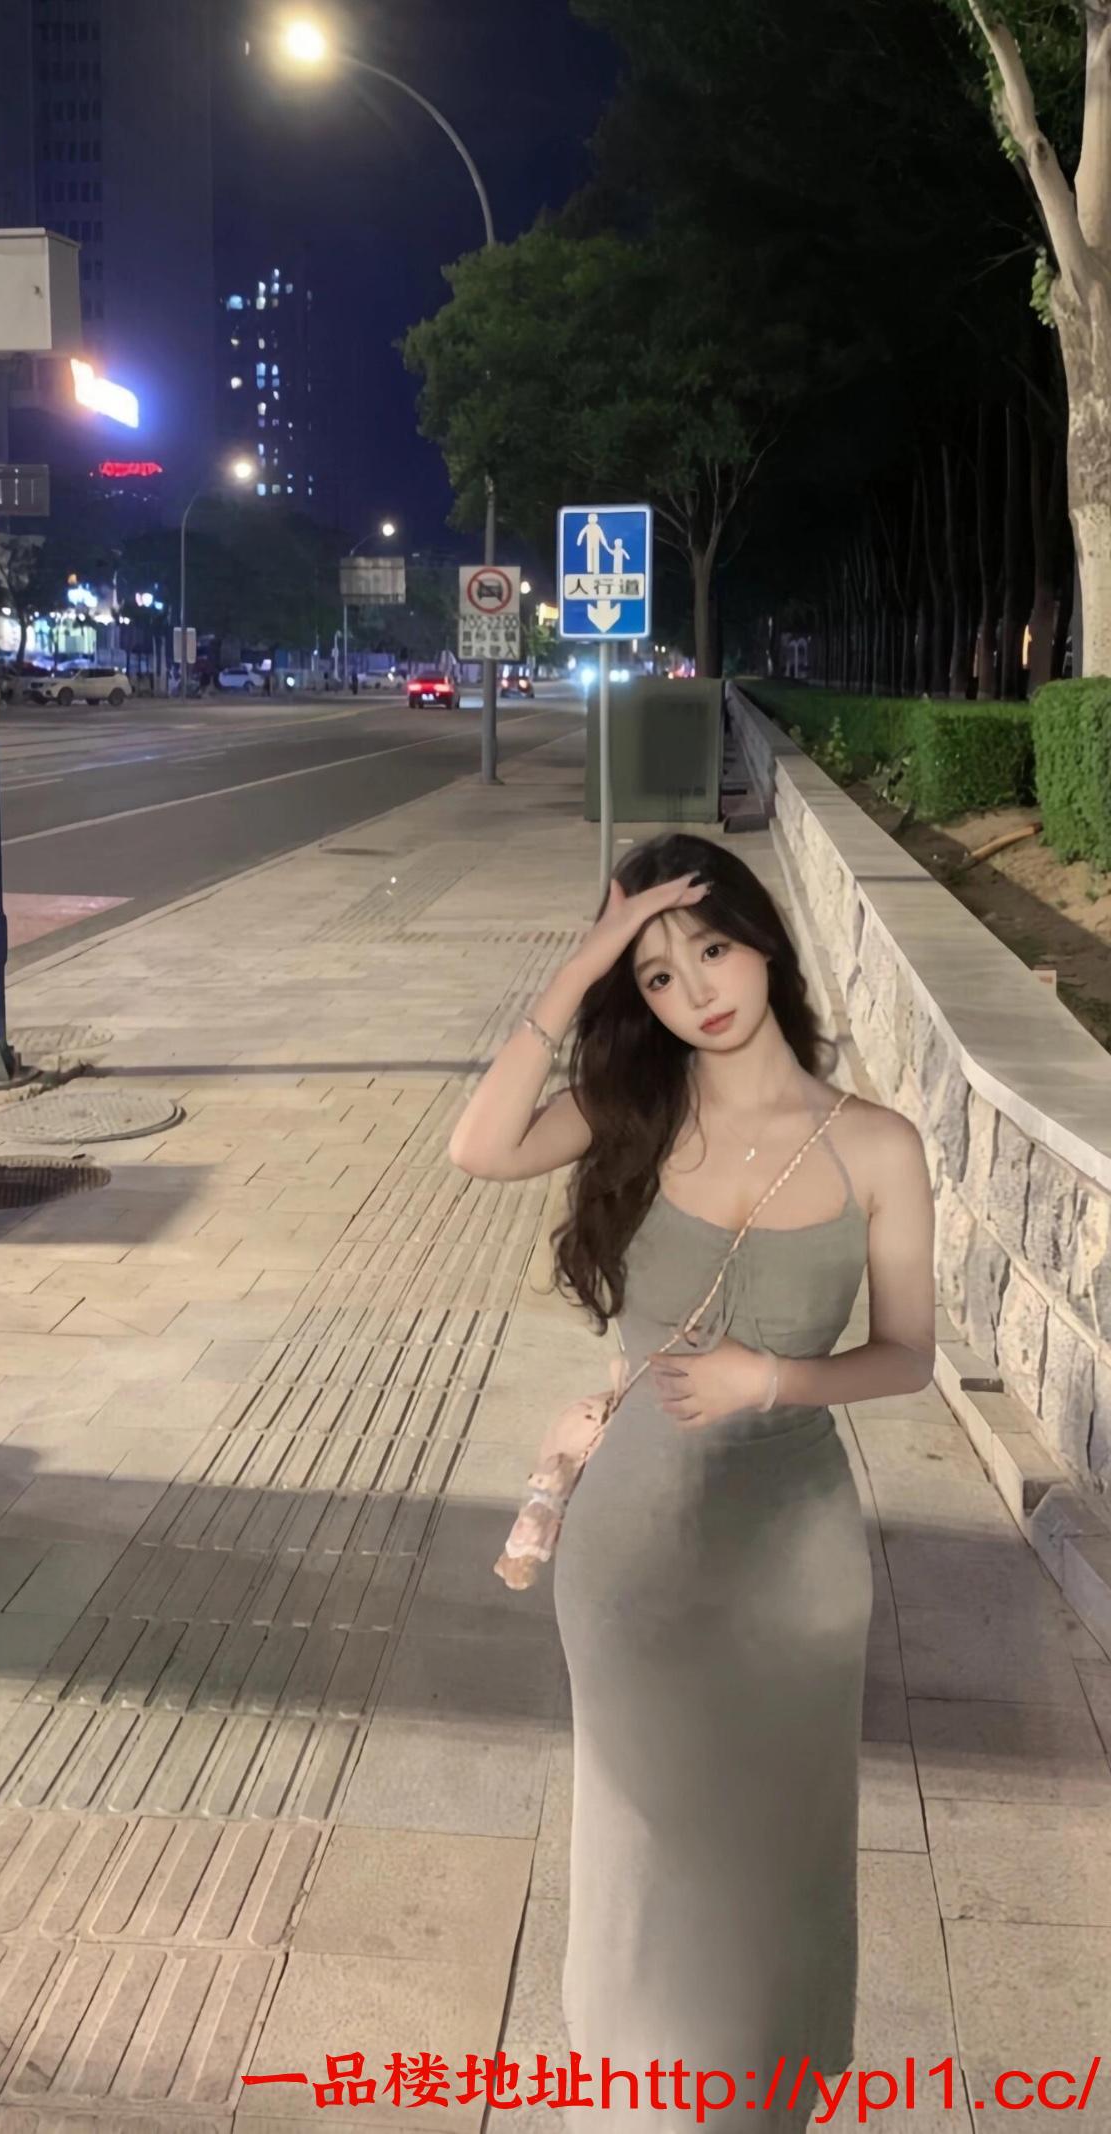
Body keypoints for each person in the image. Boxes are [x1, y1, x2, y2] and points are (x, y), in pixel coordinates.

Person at [447, 833, 936, 2132]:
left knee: (776, 1852)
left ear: (765, 940)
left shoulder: (877, 1146)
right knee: (647, 1846)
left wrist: (770, 1378)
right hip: (634, 1549)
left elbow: (908, 1357)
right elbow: (478, 1146)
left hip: (795, 1551)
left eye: (712, 948)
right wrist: (581, 968)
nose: (696, 990)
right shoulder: (637, 1110)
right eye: (658, 975)